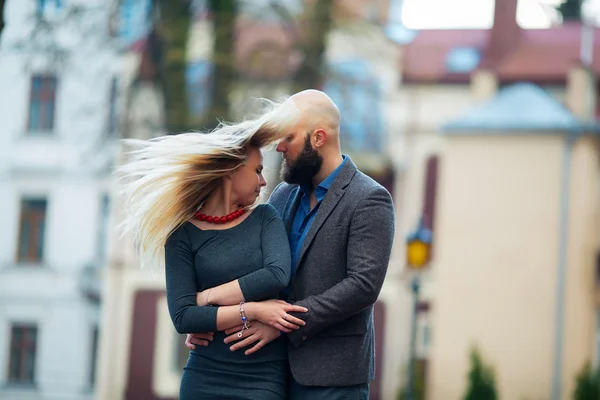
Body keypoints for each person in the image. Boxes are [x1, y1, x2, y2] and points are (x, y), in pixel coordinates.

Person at [186, 89, 396, 400]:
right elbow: (253, 266)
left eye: (289, 138)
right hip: (271, 370)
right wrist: (211, 316)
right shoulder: (283, 195)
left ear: (319, 138)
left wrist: (283, 323)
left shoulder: (369, 199)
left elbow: (362, 286)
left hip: (332, 377)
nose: (279, 147)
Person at [117, 100, 311, 400]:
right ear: (230, 171)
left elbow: (276, 275)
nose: (263, 181)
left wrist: (206, 299)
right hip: (204, 376)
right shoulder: (182, 235)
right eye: (257, 170)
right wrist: (254, 310)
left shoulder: (265, 218)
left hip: (261, 377)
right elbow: (183, 318)